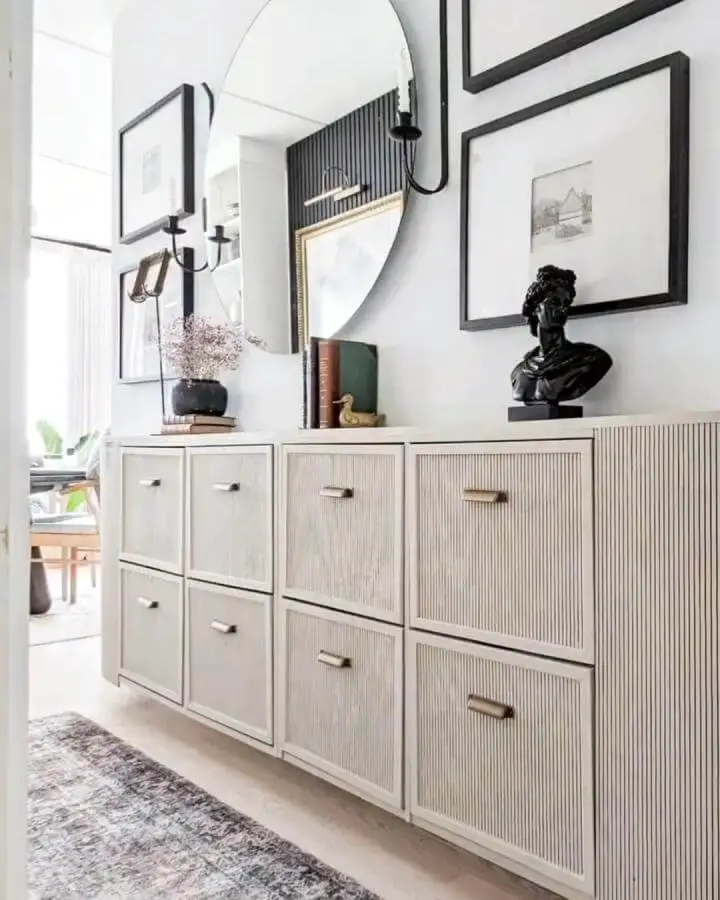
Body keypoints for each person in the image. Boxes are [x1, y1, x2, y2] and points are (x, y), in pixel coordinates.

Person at [511, 265, 612, 404]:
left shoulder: (590, 358)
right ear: (535, 308)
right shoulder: (519, 371)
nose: (562, 310)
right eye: (554, 303)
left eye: (566, 304)